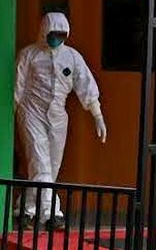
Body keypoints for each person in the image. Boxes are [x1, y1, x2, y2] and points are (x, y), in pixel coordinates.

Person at [14, 12, 107, 230]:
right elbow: (17, 85)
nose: (56, 38)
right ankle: (51, 213)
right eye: (52, 33)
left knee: (51, 167)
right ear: (44, 31)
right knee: (40, 162)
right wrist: (12, 111)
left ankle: (26, 209)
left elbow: (85, 84)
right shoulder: (29, 55)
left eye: (61, 35)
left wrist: (97, 115)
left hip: (57, 116)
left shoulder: (71, 57)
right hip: (31, 111)